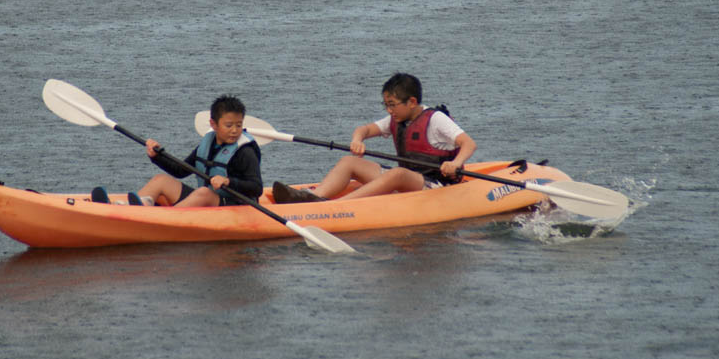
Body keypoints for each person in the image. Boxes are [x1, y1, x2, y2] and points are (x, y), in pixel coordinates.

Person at [272, 73, 476, 203]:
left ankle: (337, 207)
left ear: (412, 102)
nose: (389, 110)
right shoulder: (396, 119)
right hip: (408, 178)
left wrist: (455, 163)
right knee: (349, 161)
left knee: (397, 173)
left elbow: (468, 143)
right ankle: (315, 197)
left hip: (437, 184)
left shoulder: (436, 119)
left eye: (392, 104)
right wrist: (357, 140)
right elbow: (365, 129)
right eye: (386, 105)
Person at [91, 95, 262, 207]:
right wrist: (156, 156)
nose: (234, 130)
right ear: (213, 124)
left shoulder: (245, 152)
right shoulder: (209, 143)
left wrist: (228, 182)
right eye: (229, 125)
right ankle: (127, 208)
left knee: (203, 192)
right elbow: (181, 171)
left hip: (235, 205)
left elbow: (256, 188)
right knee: (161, 180)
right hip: (210, 201)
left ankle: (158, 218)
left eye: (238, 125)